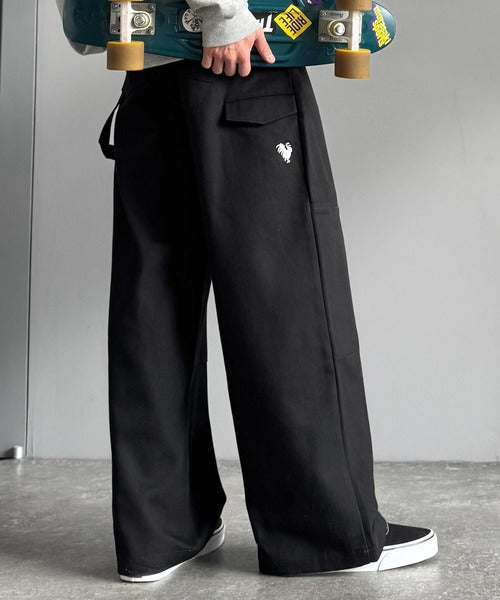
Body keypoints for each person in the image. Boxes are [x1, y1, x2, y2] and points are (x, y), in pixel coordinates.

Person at [58, 0, 438, 582]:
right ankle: (326, 538)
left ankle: (161, 534)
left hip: (150, 61)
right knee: (288, 304)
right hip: (239, 54)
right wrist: (224, 12)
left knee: (154, 305)